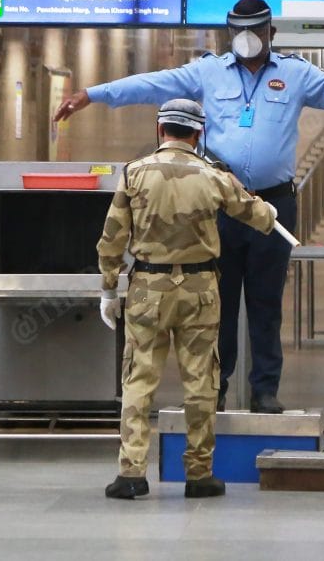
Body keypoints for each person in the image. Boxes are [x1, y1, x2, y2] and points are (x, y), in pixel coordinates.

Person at [57, 0, 324, 413]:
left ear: (271, 34)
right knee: (216, 304)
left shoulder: (295, 75)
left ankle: (265, 389)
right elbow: (153, 83)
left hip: (273, 208)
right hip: (220, 208)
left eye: (254, 32)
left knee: (266, 304)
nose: (246, 40)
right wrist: (93, 94)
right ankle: (216, 387)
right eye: (238, 33)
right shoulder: (208, 72)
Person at [97, 99, 277, 499]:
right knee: (201, 382)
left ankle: (131, 473)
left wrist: (109, 287)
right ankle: (199, 474)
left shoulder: (134, 173)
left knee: (140, 379)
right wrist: (268, 209)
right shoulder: (212, 176)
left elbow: (113, 237)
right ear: (199, 134)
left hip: (147, 289)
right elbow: (258, 216)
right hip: (199, 292)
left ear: (161, 130)